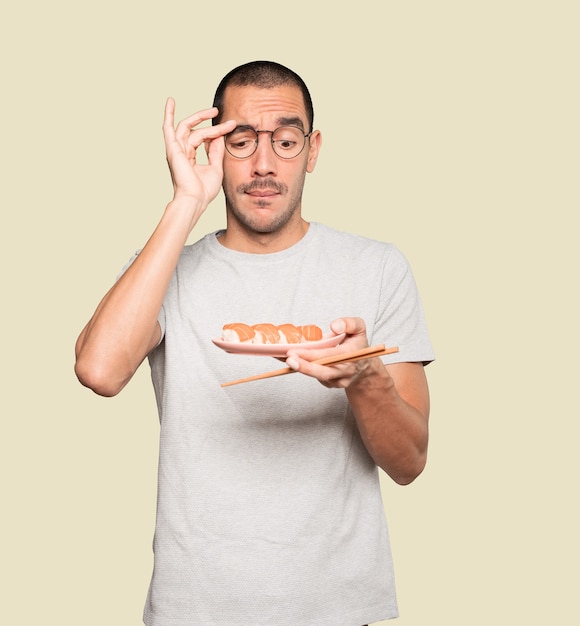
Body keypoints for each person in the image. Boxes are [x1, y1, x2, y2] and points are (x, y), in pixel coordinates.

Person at [75, 60, 435, 626]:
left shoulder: (377, 268)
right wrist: (185, 203)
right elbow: (99, 371)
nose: (263, 165)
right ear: (215, 147)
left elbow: (410, 462)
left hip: (336, 610)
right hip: (195, 609)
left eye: (286, 142)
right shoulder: (164, 270)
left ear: (313, 150)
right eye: (241, 142)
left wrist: (366, 381)